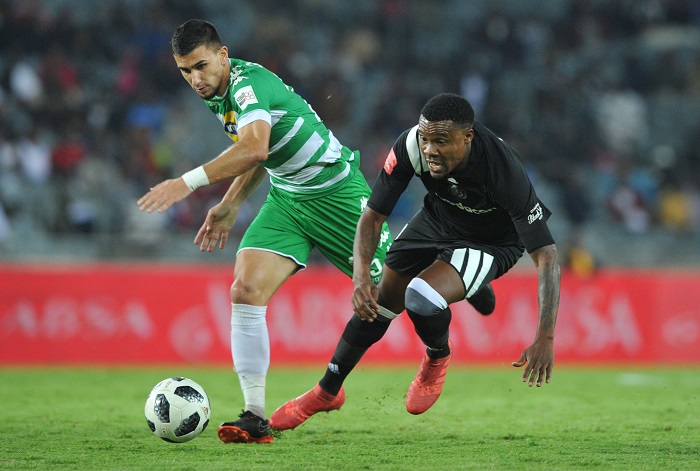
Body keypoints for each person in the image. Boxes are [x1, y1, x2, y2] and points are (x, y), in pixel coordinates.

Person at [137, 19, 392, 444]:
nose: (194, 79)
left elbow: (254, 146)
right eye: (185, 71)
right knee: (244, 290)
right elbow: (263, 150)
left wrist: (185, 183)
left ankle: (463, 277)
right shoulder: (217, 91)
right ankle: (254, 416)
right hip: (288, 200)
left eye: (201, 66)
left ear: (222, 55)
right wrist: (231, 203)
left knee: (398, 297)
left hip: (337, 194)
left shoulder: (247, 85)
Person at [269, 93, 561, 430]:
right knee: (379, 303)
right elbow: (373, 216)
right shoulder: (410, 147)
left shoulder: (502, 171)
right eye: (426, 139)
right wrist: (361, 277)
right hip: (437, 220)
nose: (430, 149)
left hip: (491, 242)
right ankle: (327, 391)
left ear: (468, 138)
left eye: (441, 141)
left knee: (421, 297)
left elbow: (547, 256)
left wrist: (545, 338)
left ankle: (437, 355)